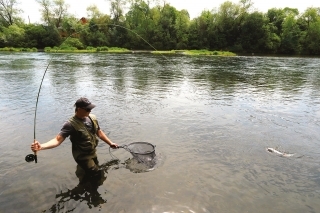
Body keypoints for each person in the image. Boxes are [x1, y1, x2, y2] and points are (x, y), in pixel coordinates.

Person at [31, 97, 119, 176]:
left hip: (92, 152)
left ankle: (82, 175)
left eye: (91, 108)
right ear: (79, 109)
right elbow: (57, 140)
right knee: (96, 174)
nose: (90, 111)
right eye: (88, 109)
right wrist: (41, 146)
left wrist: (110, 143)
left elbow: (99, 132)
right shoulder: (70, 124)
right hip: (82, 156)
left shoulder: (92, 118)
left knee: (95, 168)